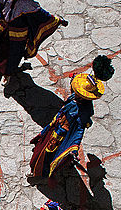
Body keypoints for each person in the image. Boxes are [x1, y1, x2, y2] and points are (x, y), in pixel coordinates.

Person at [27, 56, 112, 184]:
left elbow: (79, 131)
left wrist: (74, 148)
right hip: (55, 125)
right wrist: (74, 77)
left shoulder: (82, 111)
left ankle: (38, 173)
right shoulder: (77, 98)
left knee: (45, 156)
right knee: (41, 146)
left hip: (58, 136)